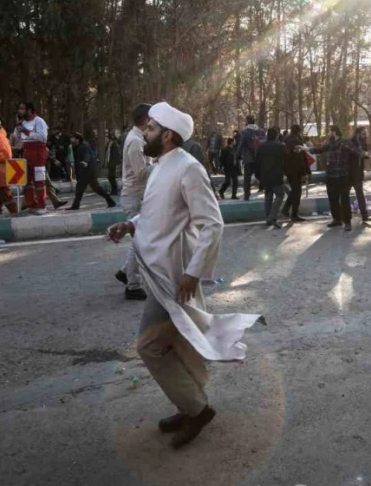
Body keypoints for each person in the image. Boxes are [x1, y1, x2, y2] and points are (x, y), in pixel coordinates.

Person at [106, 102, 261, 449]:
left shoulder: (188, 168)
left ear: (168, 134)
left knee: (150, 347)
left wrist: (192, 274)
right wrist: (129, 224)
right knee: (179, 344)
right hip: (158, 274)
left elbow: (212, 223)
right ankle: (189, 404)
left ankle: (198, 409)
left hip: (174, 279)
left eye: (149, 128)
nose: (144, 132)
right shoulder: (160, 166)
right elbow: (157, 216)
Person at [115, 103, 153, 300]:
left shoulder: (139, 138)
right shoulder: (136, 142)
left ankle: (125, 272)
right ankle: (132, 285)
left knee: (141, 240)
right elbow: (141, 174)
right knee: (141, 242)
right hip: (135, 197)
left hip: (138, 196)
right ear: (146, 119)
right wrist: (164, 165)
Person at [301, 126, 362, 231]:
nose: (328, 134)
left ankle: (347, 222)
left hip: (342, 176)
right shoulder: (330, 144)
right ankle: (336, 219)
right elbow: (318, 150)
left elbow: (357, 152)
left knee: (344, 200)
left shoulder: (345, 143)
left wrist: (368, 154)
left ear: (334, 132)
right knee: (333, 199)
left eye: (329, 132)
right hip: (330, 176)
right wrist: (304, 148)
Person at [15, 101, 49, 212]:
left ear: (29, 110)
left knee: (39, 180)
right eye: (19, 108)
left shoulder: (39, 121)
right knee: (26, 180)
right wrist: (19, 126)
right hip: (26, 152)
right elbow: (18, 139)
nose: (20, 111)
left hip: (38, 153)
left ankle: (41, 205)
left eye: (22, 108)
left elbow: (42, 137)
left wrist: (26, 131)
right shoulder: (22, 123)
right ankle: (31, 204)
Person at [69, 132, 117, 210]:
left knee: (80, 189)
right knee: (96, 188)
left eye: (72, 138)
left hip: (87, 171)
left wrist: (85, 162)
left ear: (77, 139)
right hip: (86, 171)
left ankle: (75, 205)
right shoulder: (78, 146)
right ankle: (111, 202)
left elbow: (87, 155)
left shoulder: (83, 146)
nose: (71, 139)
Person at [256, 127, 289, 228]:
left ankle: (268, 218)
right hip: (276, 176)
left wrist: (259, 176)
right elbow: (287, 159)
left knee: (268, 197)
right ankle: (272, 217)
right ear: (276, 135)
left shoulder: (261, 146)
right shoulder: (281, 146)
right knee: (280, 195)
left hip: (265, 176)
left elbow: (257, 162)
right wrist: (285, 173)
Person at [282, 124, 309, 222]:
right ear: (298, 131)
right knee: (297, 192)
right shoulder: (296, 141)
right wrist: (304, 171)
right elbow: (300, 157)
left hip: (289, 169)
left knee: (294, 191)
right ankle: (294, 214)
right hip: (296, 170)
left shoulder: (286, 140)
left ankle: (285, 210)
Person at [348, 126, 371, 224]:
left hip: (358, 173)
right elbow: (357, 153)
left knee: (360, 195)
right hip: (349, 173)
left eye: (366, 133)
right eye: (364, 133)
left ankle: (364, 216)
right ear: (358, 134)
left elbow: (364, 157)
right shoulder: (351, 142)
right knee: (345, 195)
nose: (366, 135)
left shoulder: (363, 143)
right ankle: (344, 217)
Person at [237, 115, 262, 200]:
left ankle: (246, 195)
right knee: (261, 175)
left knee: (247, 178)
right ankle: (266, 190)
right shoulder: (260, 131)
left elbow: (241, 145)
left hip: (248, 158)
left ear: (247, 121)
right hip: (258, 158)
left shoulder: (245, 132)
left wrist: (237, 156)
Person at [106, 128, 123, 195]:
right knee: (110, 177)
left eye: (107, 138)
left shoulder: (114, 144)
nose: (106, 139)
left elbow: (116, 155)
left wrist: (113, 163)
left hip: (113, 163)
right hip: (110, 162)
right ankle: (114, 190)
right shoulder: (109, 144)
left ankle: (115, 190)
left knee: (111, 177)